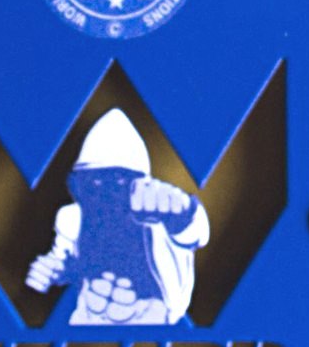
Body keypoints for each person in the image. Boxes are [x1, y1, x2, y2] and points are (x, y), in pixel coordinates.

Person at [24, 108, 209, 326]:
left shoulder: (157, 221)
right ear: (79, 185)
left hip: (153, 323)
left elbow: (195, 233)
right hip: (88, 321)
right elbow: (65, 259)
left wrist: (181, 210)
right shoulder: (72, 219)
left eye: (118, 181)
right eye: (95, 182)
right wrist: (54, 270)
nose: (106, 192)